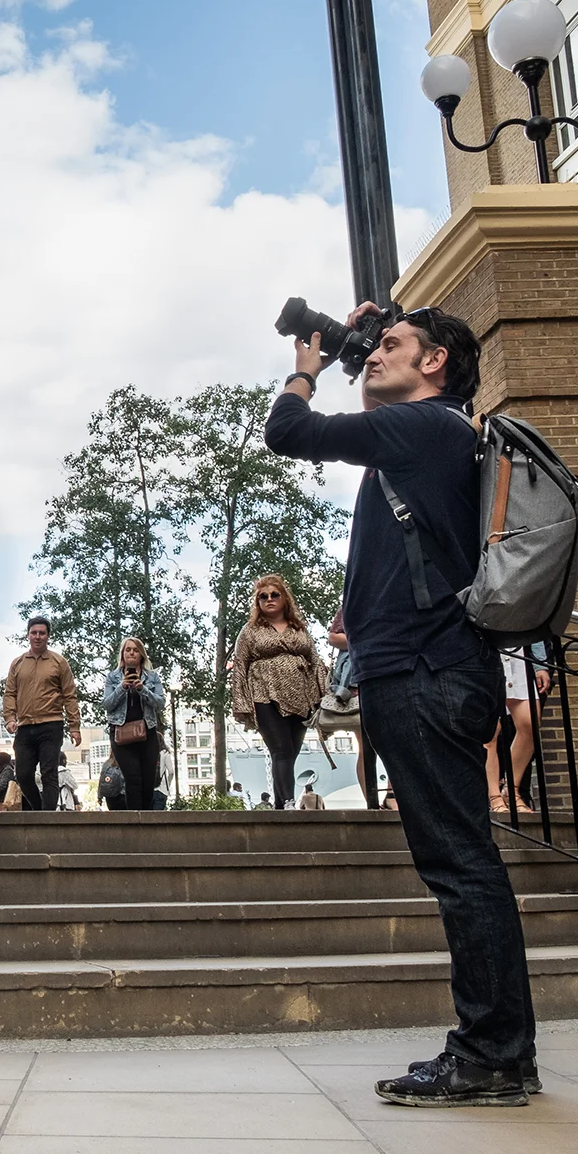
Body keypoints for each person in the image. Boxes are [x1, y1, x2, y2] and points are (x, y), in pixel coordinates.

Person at [267, 301, 537, 1107]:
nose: (372, 356)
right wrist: (375, 338)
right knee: (464, 863)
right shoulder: (437, 435)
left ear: (437, 365)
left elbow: (290, 432)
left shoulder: (426, 431)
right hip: (430, 669)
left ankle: (490, 1053)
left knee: (461, 865)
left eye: (393, 347)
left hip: (425, 672)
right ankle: (502, 1052)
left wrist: (308, 368)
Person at [230, 575, 324, 812]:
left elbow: (315, 660)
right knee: (280, 749)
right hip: (264, 695)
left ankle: (281, 805)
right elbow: (240, 665)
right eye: (263, 596)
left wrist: (322, 696)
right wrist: (241, 703)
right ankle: (290, 801)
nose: (269, 599)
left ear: (284, 599)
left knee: (291, 751)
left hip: (301, 696)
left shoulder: (299, 629)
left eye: (274, 595)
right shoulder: (250, 631)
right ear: (257, 602)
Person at [3, 618, 81, 814]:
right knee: (22, 774)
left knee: (49, 773)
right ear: (28, 635)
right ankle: (38, 811)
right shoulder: (18, 663)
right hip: (25, 726)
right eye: (34, 632)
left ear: (48, 636)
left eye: (42, 633)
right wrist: (10, 718)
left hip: (51, 724)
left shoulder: (59, 662)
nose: (37, 636)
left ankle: (47, 818)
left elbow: (70, 695)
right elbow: (10, 693)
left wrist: (74, 726)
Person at [327, 610, 391, 810]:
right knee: (364, 746)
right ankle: (371, 801)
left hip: (390, 676)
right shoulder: (351, 601)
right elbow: (333, 637)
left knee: (395, 741)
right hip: (357, 683)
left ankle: (392, 795)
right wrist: (364, 642)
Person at [102, 637, 167, 810]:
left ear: (141, 655)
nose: (131, 652)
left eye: (135, 650)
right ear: (122, 654)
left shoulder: (152, 677)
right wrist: (122, 687)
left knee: (147, 780)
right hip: (121, 735)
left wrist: (142, 689)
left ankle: (145, 820)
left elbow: (160, 703)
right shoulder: (113, 677)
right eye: (128, 649)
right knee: (133, 778)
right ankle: (134, 820)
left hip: (147, 734)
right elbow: (107, 704)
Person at [487, 643, 552, 815]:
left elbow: (531, 623)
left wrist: (540, 666)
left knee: (529, 724)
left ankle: (511, 790)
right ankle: (494, 796)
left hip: (518, 655)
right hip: (486, 656)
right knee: (489, 733)